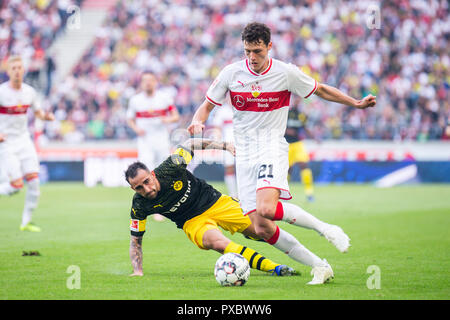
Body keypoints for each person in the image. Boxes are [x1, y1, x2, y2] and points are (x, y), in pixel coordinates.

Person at [188, 22, 376, 284]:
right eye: (247, 51)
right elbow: (206, 106)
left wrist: (355, 103)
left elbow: (320, 89)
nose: (252, 58)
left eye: (258, 51)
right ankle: (320, 266)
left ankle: (326, 229)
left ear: (269, 47)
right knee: (261, 228)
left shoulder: (285, 73)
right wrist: (198, 121)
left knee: (266, 208)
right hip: (244, 155)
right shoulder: (231, 73)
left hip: (271, 147)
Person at [125, 138, 295, 277]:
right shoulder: (139, 204)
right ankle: (275, 268)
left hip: (216, 202)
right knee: (217, 243)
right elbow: (135, 241)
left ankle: (309, 260)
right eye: (139, 187)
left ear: (152, 174)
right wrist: (137, 271)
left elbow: (190, 144)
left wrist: (224, 146)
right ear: (133, 189)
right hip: (192, 222)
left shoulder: (170, 167)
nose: (146, 189)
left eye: (147, 182)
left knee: (263, 229)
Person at [0, 55, 55, 232]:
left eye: (19, 67)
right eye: (13, 68)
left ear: (23, 70)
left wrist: (46, 117)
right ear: (8, 71)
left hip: (24, 140)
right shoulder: (2, 92)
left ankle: (26, 222)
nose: (17, 71)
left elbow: (37, 112)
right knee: (16, 186)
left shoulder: (29, 92)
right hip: (7, 143)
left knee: (34, 182)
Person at [127, 71, 180, 221]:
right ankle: (155, 207)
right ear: (141, 83)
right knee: (146, 173)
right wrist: (136, 129)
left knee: (162, 172)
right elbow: (130, 119)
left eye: (150, 80)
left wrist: (167, 120)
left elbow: (176, 116)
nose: (148, 83)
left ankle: (166, 205)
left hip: (161, 140)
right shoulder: (135, 100)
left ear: (155, 82)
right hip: (145, 142)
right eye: (145, 81)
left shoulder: (164, 98)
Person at [285, 104, 315, 202]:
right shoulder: (285, 113)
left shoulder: (301, 115)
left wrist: (314, 137)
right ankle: (284, 193)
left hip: (297, 144)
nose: (297, 101)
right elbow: (277, 127)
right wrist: (287, 131)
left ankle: (309, 193)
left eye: (299, 99)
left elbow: (305, 127)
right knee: (287, 170)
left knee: (304, 165)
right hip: (286, 145)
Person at [210, 101, 238, 198]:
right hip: (227, 144)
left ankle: (246, 195)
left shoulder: (243, 107)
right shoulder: (222, 111)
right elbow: (217, 128)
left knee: (244, 168)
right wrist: (218, 142)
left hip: (244, 143)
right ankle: (234, 195)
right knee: (229, 168)